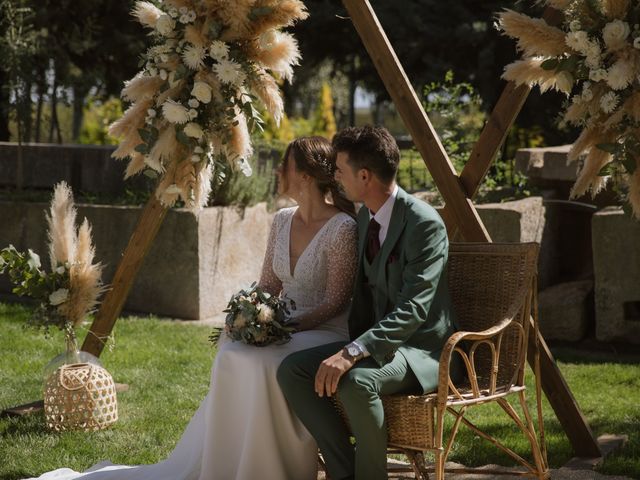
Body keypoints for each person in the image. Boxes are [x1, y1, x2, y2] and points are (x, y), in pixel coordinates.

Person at [25, 136, 358, 480]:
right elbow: (269, 286)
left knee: (261, 361)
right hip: (282, 325)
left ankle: (269, 468)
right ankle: (229, 463)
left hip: (323, 330)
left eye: (285, 165)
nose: (276, 171)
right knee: (232, 352)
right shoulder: (283, 219)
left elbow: (336, 300)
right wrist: (249, 316)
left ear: (305, 177)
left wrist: (284, 327)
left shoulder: (343, 228)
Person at [277, 125, 460, 480]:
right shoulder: (364, 217)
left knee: (357, 382)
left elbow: (414, 309)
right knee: (293, 371)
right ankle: (342, 471)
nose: (335, 178)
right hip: (375, 344)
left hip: (421, 350)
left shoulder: (424, 224)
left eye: (340, 171)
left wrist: (351, 353)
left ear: (364, 176)